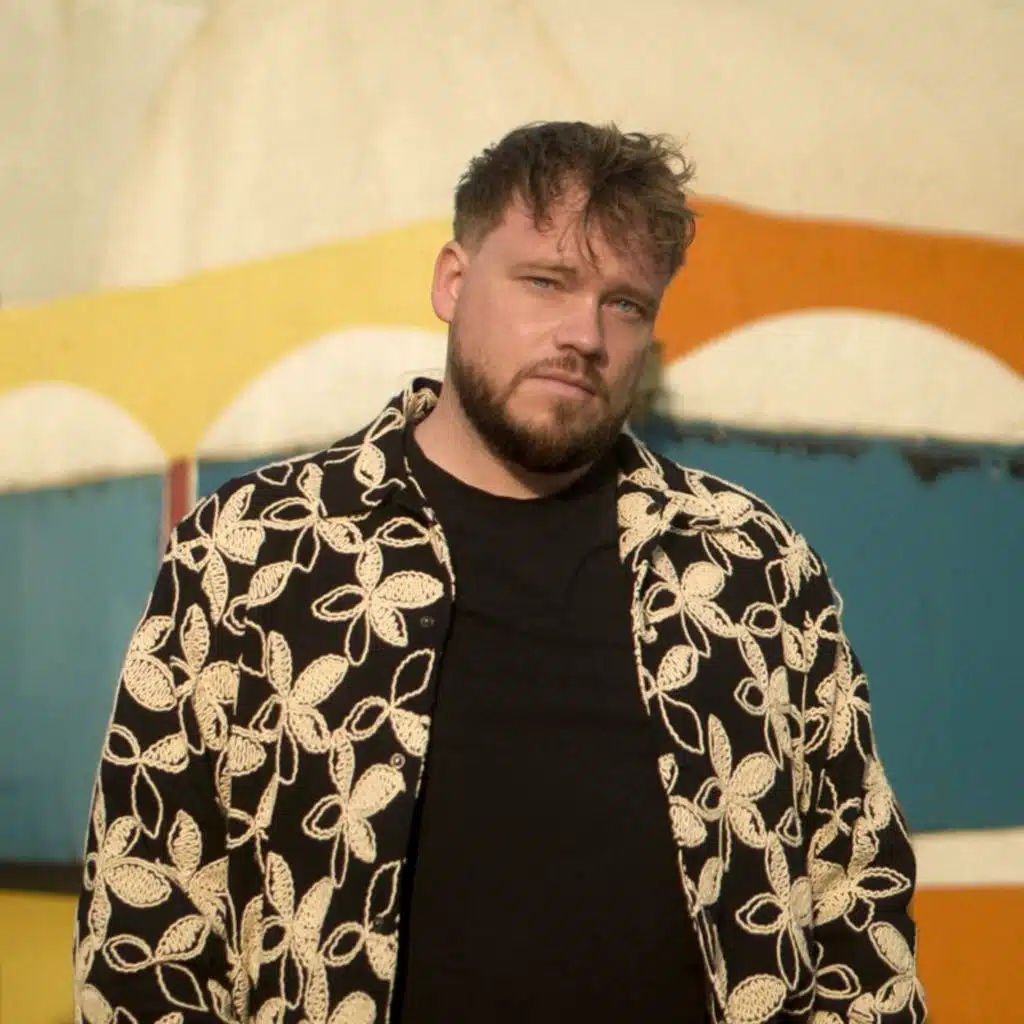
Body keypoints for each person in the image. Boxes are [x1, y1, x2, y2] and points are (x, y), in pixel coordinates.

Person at [73, 121, 926, 1023]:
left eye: (625, 303)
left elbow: (856, 893)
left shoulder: (751, 565)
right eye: (546, 281)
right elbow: (146, 910)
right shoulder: (255, 552)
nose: (584, 335)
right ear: (452, 281)